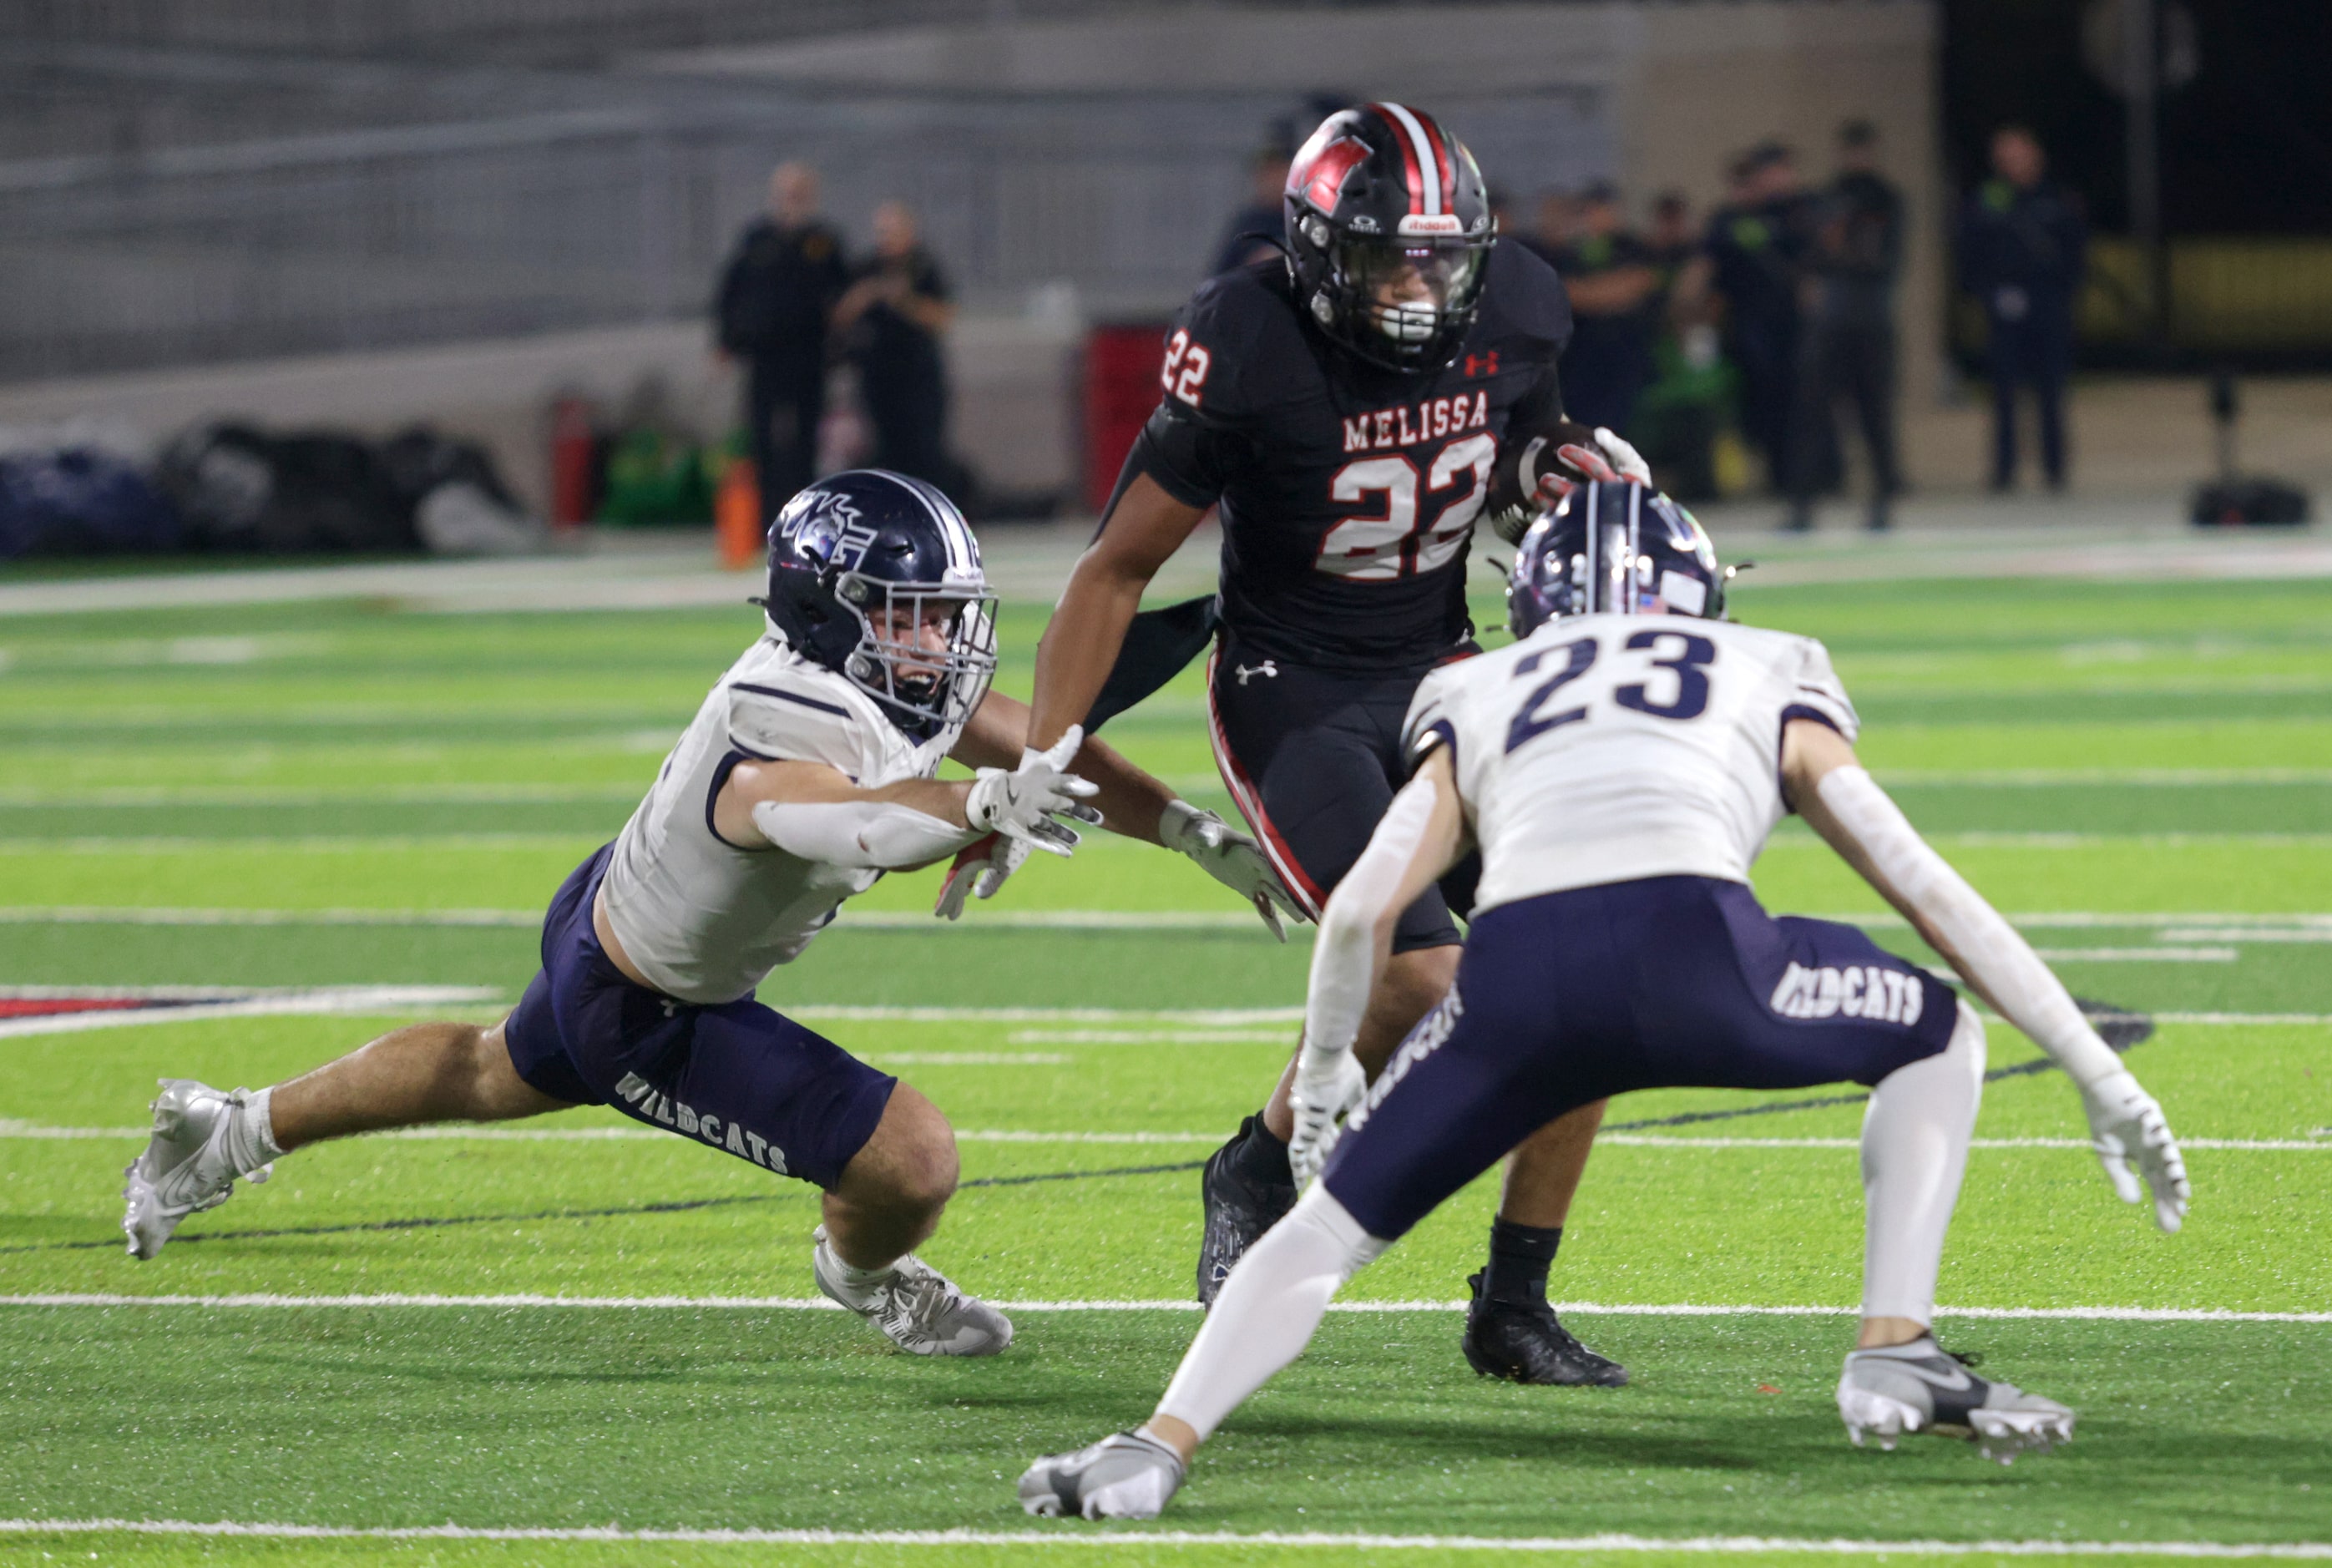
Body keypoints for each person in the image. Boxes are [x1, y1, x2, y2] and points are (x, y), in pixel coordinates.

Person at [1018, 479, 2193, 1520]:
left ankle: (1154, 1445)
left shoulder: (1472, 689)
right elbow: (1919, 879)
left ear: (1531, 603)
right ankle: (1894, 1346)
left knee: (1325, 1230)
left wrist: (1327, 1071)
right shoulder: (1767, 661)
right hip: (1704, 957)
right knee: (1936, 1032)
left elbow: (1366, 905)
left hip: (1519, 986)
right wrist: (2099, 1067)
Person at [119, 469, 1293, 1354]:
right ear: (833, 610)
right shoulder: (787, 719)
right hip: (651, 1004)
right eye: (912, 611)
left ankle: (227, 1128)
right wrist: (974, 804)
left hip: (614, 916)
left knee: (486, 1071)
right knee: (914, 1162)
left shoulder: (873, 672)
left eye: (942, 610)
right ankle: (860, 1273)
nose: (940, 637)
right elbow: (843, 818)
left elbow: (1045, 742)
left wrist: (1191, 835)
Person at [1017, 102, 1653, 1387]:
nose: (1419, 285)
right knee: (1422, 983)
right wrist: (1044, 752)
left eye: (1439, 256)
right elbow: (1115, 569)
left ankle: (1511, 1298)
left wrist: (1554, 476)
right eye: (1386, 258)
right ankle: (1263, 1171)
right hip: (1291, 685)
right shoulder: (1249, 339)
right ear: (1315, 251)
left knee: (1600, 970)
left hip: (1449, 672)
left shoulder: (1517, 303)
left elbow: (1528, 437)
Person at [1682, 144, 1821, 495]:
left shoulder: (1793, 212)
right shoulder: (1726, 221)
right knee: (1759, 402)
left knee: (1799, 400)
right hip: (1748, 325)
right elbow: (1704, 268)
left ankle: (1802, 476)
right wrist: (1689, 308)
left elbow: (1811, 264)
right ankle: (1776, 474)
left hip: (1792, 324)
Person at [1788, 120, 1906, 532]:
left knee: (1874, 415)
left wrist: (1847, 248)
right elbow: (1811, 256)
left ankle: (1883, 501)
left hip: (1869, 318)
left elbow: (1885, 259)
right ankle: (1802, 503)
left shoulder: (1886, 198)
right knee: (1812, 415)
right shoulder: (1826, 198)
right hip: (1831, 321)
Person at [715, 163, 849, 512]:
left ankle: (803, 514)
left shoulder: (824, 241)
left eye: (799, 193)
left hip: (808, 354)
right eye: (786, 192)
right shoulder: (757, 238)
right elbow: (731, 291)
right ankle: (764, 517)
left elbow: (844, 298)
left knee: (805, 438)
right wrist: (726, 341)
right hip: (765, 355)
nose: (792, 200)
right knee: (763, 437)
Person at [1959, 126, 2087, 493]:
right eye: (2004, 156)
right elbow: (1971, 250)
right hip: (2003, 307)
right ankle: (2003, 470)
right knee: (2003, 394)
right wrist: (1986, 294)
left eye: (2018, 154)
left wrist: (2063, 296)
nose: (2011, 163)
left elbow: (2075, 253)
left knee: (2051, 391)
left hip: (2048, 305)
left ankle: (2055, 469)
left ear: (2035, 156)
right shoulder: (1988, 198)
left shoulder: (2058, 198)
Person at [835, 203, 958, 488]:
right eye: (883, 231)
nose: (887, 238)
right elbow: (839, 316)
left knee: (925, 450)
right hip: (879, 373)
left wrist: (904, 301)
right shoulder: (866, 268)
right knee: (885, 450)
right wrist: (864, 296)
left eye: (894, 231)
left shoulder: (923, 266)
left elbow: (942, 317)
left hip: (918, 374)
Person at [1550, 180, 1661, 436]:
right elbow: (1568, 293)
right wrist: (1609, 291)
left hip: (1627, 354)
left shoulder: (1633, 246)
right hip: (1581, 358)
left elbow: (1640, 282)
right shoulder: (1569, 252)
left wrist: (1594, 292)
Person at [1210, 136, 1295, 276]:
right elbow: (1219, 279)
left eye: (1277, 172)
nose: (1271, 181)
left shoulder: (1304, 219)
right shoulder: (1248, 223)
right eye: (1266, 173)